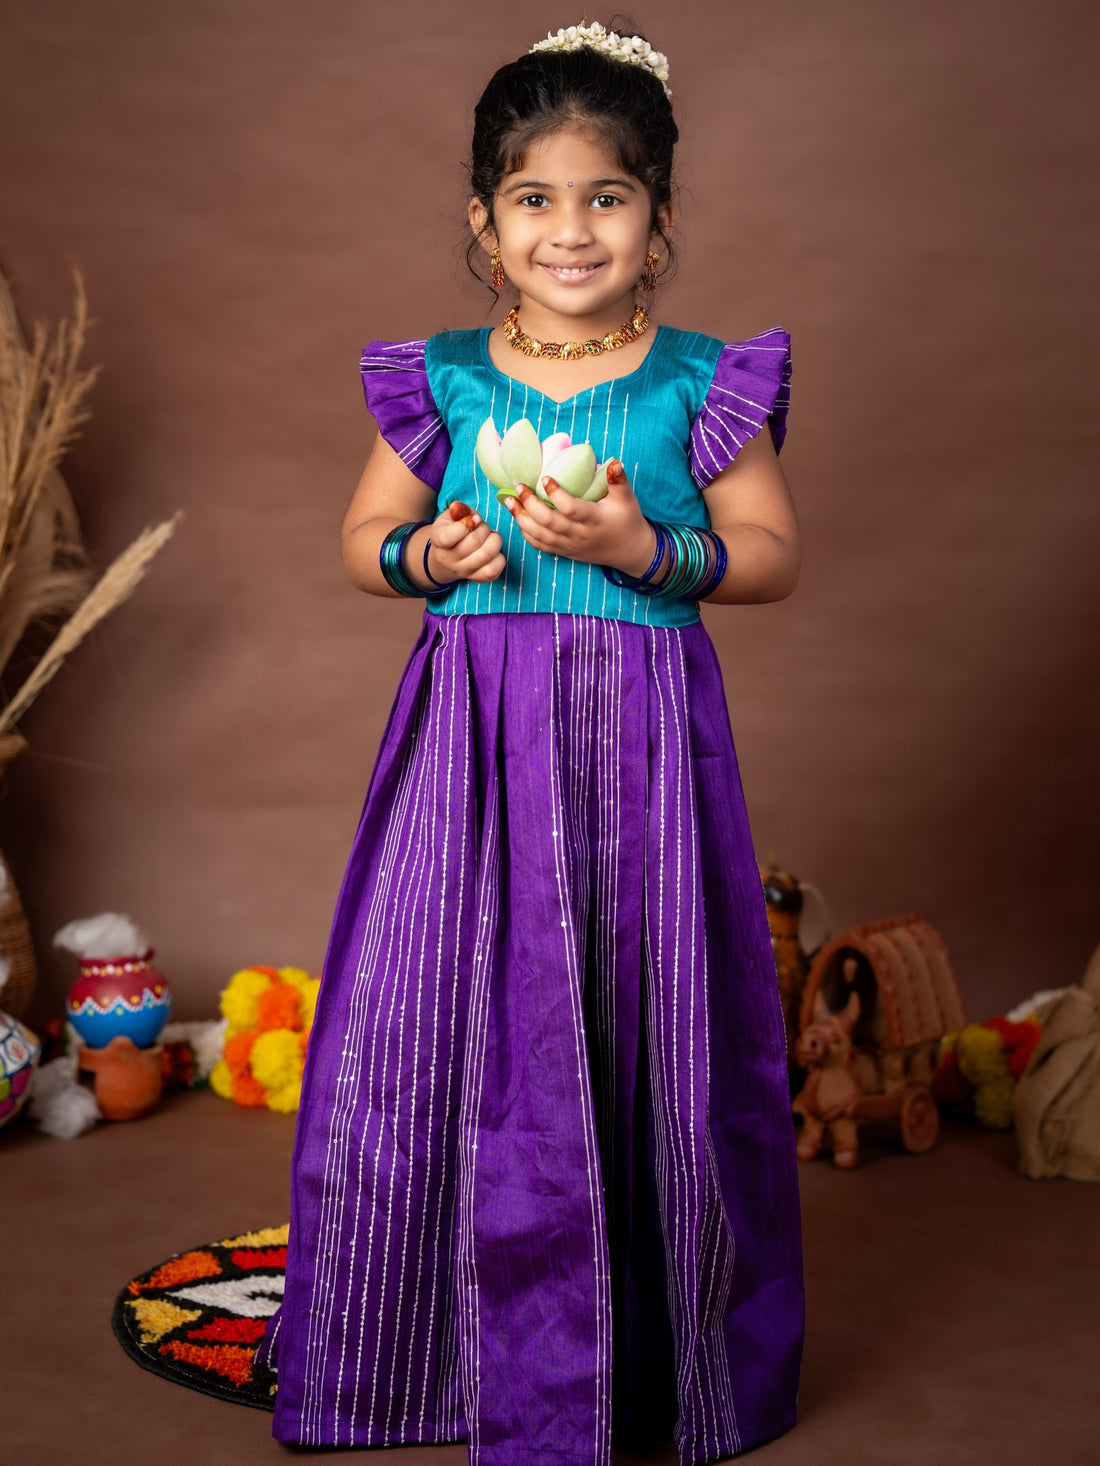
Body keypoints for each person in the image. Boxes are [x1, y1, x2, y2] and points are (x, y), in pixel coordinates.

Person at [259, 21, 805, 1465]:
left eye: (607, 196)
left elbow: (770, 555)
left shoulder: (699, 379)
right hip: (474, 745)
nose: (572, 228)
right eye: (535, 198)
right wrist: (424, 555)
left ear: (659, 218)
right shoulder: (443, 376)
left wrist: (644, 545)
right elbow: (360, 537)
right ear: (484, 221)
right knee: (434, 1009)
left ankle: (642, 1359)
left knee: (644, 1016)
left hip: (640, 757)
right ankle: (417, 1353)